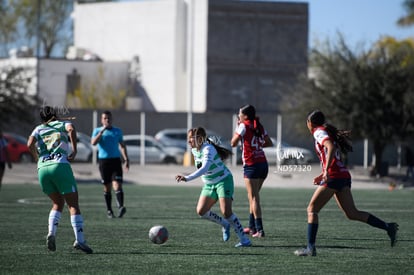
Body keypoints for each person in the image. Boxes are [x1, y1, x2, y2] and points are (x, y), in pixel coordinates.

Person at [294, 109, 399, 256]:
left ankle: (310, 248)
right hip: (342, 175)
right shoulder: (326, 131)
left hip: (334, 176)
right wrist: (322, 173)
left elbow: (330, 147)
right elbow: (333, 154)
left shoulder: (318, 131)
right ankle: (388, 227)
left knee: (312, 210)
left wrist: (326, 172)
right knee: (352, 213)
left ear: (310, 123)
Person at [27, 106, 93, 254]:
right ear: (54, 115)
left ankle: (51, 232)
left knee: (57, 203)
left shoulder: (38, 129)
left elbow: (29, 144)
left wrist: (37, 158)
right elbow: (71, 128)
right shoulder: (61, 124)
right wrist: (74, 150)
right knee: (73, 205)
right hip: (60, 165)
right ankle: (80, 240)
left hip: (43, 169)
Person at [175, 127, 251, 248]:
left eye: (191, 138)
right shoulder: (195, 150)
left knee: (226, 212)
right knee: (201, 211)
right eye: (188, 138)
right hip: (209, 184)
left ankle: (244, 240)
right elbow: (202, 169)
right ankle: (225, 224)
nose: (189, 141)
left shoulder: (208, 149)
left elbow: (205, 168)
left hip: (223, 180)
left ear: (199, 139)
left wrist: (187, 178)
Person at [230, 104, 273, 238]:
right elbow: (269, 142)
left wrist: (238, 127)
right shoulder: (258, 125)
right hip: (263, 164)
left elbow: (233, 143)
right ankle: (252, 227)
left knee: (254, 197)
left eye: (240, 113)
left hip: (251, 165)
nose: (238, 116)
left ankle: (259, 230)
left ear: (246, 116)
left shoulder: (243, 125)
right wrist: (256, 146)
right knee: (252, 197)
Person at [91, 110, 129, 218]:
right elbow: (93, 143)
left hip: (116, 161)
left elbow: (122, 145)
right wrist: (102, 131)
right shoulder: (97, 130)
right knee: (107, 187)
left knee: (117, 184)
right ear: (102, 120)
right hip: (104, 162)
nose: (107, 120)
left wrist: (126, 159)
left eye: (109, 118)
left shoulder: (117, 131)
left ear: (112, 119)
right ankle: (109, 210)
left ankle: (121, 207)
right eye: (105, 118)